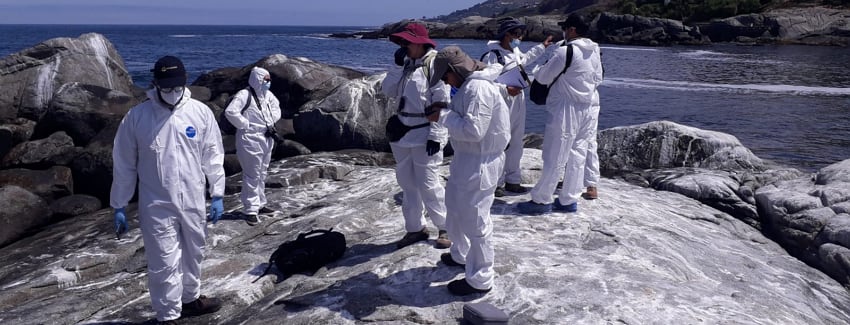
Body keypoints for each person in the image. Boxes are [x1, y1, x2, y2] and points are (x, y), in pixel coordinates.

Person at [111, 55, 225, 324]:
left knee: (195, 251)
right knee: (163, 259)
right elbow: (124, 162)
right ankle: (168, 314)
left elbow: (213, 154)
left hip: (194, 198)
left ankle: (190, 299)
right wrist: (119, 204)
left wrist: (217, 192)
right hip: (156, 202)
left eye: (176, 87)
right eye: (166, 88)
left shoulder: (200, 113)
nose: (172, 93)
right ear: (155, 84)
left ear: (184, 83)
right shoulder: (137, 117)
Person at [427, 46, 510, 296]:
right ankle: (462, 255)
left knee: (476, 219)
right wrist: (447, 113)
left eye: (445, 75)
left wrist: (442, 116)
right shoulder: (470, 86)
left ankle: (481, 277)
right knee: (454, 206)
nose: (444, 80)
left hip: (481, 161)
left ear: (454, 70)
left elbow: (474, 131)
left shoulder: (479, 88)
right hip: (468, 158)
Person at [517, 14, 603, 215]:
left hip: (566, 106)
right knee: (578, 153)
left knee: (555, 153)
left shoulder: (567, 51)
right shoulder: (595, 50)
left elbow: (544, 76)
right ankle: (568, 199)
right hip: (587, 106)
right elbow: (598, 78)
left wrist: (539, 68)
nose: (564, 32)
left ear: (572, 30)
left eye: (566, 28)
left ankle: (541, 200)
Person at [381, 22, 452, 250]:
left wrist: (437, 135)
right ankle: (415, 228)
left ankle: (445, 227)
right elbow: (388, 90)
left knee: (429, 184)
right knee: (408, 184)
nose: (403, 45)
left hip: (424, 132)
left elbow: (442, 103)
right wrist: (396, 65)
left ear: (419, 43)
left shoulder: (435, 65)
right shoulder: (406, 66)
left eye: (406, 42)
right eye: (401, 42)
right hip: (402, 131)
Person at [481, 17, 553, 197]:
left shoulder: (514, 51)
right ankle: (495, 183)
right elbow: (484, 83)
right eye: (517, 34)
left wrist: (542, 47)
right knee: (499, 142)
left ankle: (513, 181)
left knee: (516, 141)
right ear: (507, 35)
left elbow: (525, 60)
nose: (520, 37)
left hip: (518, 101)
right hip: (502, 102)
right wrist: (506, 90)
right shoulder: (492, 56)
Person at [224, 66, 282, 226]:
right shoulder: (245, 94)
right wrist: (245, 124)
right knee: (252, 174)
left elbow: (277, 108)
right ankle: (250, 209)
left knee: (262, 172)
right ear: (258, 79)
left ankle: (260, 203)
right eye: (266, 80)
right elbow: (231, 112)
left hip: (266, 137)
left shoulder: (268, 95)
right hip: (250, 139)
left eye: (269, 80)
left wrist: (271, 121)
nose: (268, 83)